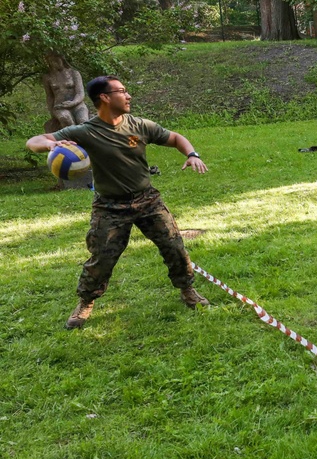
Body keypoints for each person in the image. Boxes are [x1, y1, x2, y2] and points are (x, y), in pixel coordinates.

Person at [25, 76, 210, 329]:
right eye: (122, 91)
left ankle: (187, 290)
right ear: (104, 97)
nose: (128, 95)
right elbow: (33, 141)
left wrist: (192, 154)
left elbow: (176, 137)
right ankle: (86, 302)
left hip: (147, 200)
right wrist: (51, 143)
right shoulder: (85, 132)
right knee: (101, 258)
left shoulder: (139, 125)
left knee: (174, 246)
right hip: (109, 206)